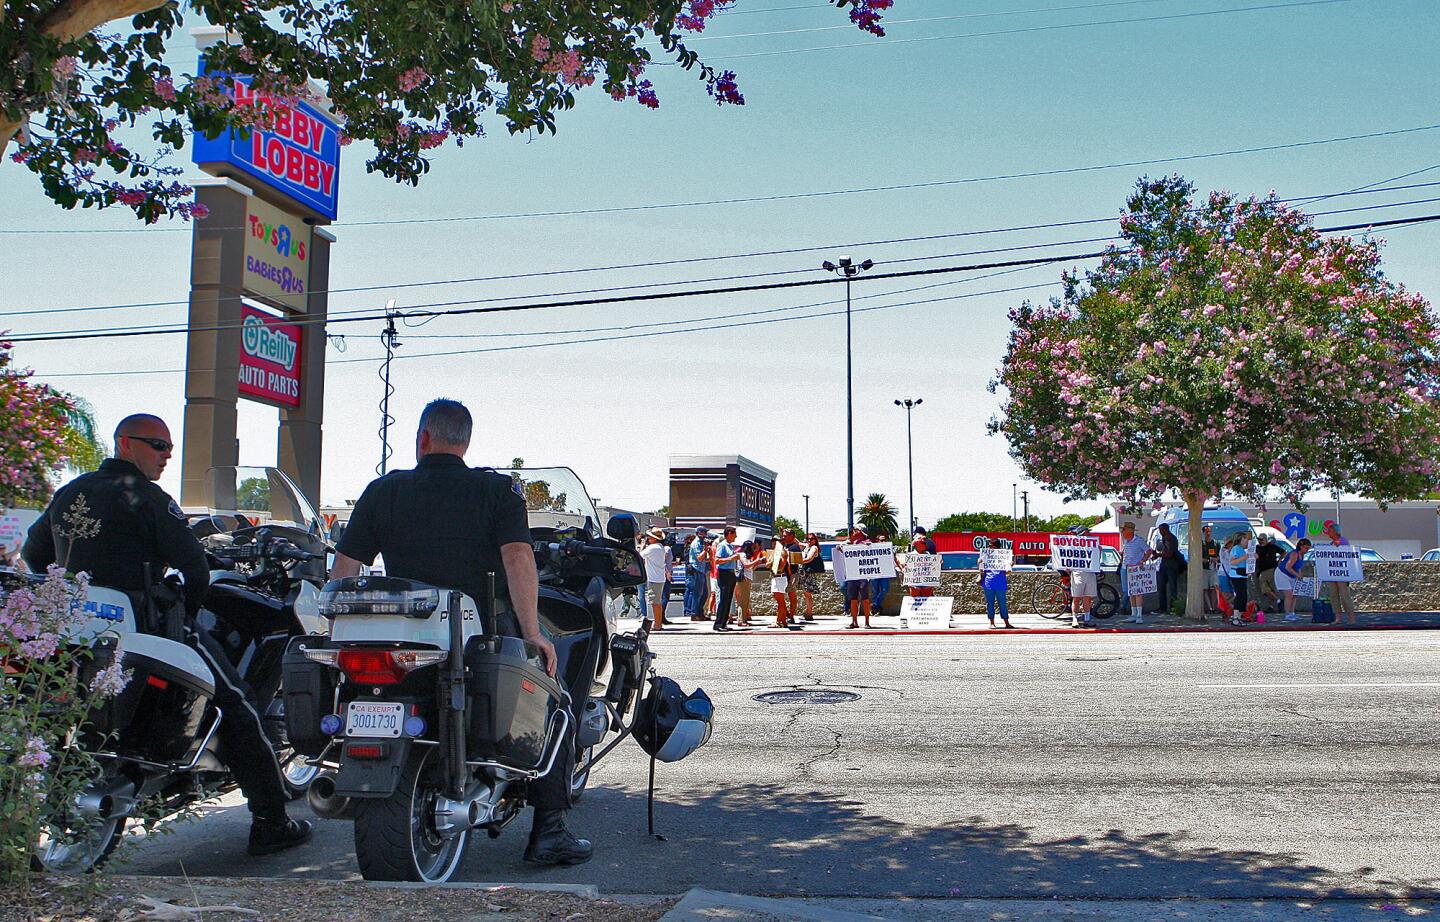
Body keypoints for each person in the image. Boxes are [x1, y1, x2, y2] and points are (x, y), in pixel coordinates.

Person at [23, 413, 312, 857]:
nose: (167, 454)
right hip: (143, 626)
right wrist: (186, 616)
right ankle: (270, 820)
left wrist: (79, 590)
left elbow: (35, 552)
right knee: (236, 703)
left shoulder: (71, 493)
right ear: (125, 444)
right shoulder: (146, 498)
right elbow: (195, 567)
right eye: (157, 445)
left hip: (78, 633)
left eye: (169, 447)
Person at [328, 399, 588, 867]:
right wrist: (533, 632)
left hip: (398, 636)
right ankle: (550, 830)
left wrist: (336, 624)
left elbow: (345, 568)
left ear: (422, 438)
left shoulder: (383, 491)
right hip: (477, 634)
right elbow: (517, 559)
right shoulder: (495, 491)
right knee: (558, 703)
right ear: (465, 442)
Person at [1321, 521, 1359, 625]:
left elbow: (1346, 554)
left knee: (1344, 595)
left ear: (1335, 531)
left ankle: (1352, 618)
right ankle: (1338, 618)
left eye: (1330, 531)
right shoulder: (1331, 543)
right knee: (1333, 596)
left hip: (1341, 574)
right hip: (1332, 573)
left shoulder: (1343, 541)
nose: (1328, 533)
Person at [1118, 521, 1150, 624]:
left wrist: (1142, 561)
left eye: (1124, 530)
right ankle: (1133, 614)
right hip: (1125, 568)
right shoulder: (1126, 541)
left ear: (1129, 531)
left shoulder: (1139, 541)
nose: (1122, 532)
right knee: (1129, 591)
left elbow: (1148, 551)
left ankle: (1139, 615)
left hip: (1135, 569)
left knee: (1137, 592)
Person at [711, 526, 741, 632]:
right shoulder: (722, 545)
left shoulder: (730, 546)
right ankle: (718, 623)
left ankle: (724, 623)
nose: (736, 536)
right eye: (734, 534)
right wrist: (731, 558)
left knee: (728, 600)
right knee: (723, 599)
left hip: (731, 573)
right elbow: (717, 560)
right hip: (724, 574)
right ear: (729, 533)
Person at [842, 526, 873, 629]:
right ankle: (854, 621)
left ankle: (867, 622)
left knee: (865, 599)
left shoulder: (867, 542)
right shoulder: (853, 543)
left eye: (856, 529)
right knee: (853, 599)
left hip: (863, 575)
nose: (854, 531)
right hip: (853, 575)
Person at [640, 528, 670, 631]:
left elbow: (640, 556)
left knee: (655, 602)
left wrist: (642, 546)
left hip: (654, 578)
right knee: (658, 602)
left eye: (650, 537)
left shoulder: (652, 548)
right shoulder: (660, 547)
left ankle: (657, 625)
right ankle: (658, 623)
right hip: (659, 577)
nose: (648, 538)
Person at [768, 535, 799, 629]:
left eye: (776, 541)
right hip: (779, 577)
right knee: (781, 601)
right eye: (773, 540)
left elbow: (781, 566)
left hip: (779, 577)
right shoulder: (777, 552)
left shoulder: (781, 552)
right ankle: (783, 621)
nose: (773, 542)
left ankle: (779, 621)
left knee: (780, 602)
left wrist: (771, 562)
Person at [1277, 538, 1311, 622]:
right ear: (1301, 546)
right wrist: (1297, 575)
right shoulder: (1294, 554)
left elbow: (1298, 567)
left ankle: (1292, 613)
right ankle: (1287, 614)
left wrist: (1299, 575)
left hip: (1291, 575)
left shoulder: (1302, 555)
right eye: (1306, 548)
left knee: (1295, 594)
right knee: (1289, 594)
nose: (1307, 550)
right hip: (1282, 574)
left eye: (1308, 548)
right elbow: (1288, 567)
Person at [1151, 523, 1181, 615]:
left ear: (1165, 529)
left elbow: (1169, 554)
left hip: (1171, 566)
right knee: (1161, 587)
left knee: (1172, 588)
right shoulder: (1164, 539)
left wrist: (1158, 555)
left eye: (1161, 530)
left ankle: (1173, 608)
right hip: (1164, 565)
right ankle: (1162, 608)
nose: (1160, 532)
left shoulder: (1170, 538)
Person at [683, 528, 711, 622]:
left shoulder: (701, 543)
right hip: (696, 570)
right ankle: (694, 614)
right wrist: (706, 549)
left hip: (701, 570)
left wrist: (708, 552)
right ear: (699, 533)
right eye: (704, 532)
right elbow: (699, 558)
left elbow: (705, 559)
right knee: (697, 594)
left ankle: (700, 612)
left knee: (704, 594)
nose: (706, 534)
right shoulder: (696, 543)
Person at [796, 534, 824, 621]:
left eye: (811, 539)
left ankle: (809, 613)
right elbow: (798, 543)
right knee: (806, 593)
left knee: (808, 594)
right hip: (803, 572)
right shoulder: (808, 546)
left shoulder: (814, 548)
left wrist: (795, 560)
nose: (809, 540)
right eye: (807, 539)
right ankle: (808, 612)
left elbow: (808, 559)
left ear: (815, 540)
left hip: (808, 573)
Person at [979, 555, 1012, 628]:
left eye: (991, 546)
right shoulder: (985, 556)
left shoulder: (1003, 557)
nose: (990, 548)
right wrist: (980, 563)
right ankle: (992, 622)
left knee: (1002, 604)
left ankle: (1006, 623)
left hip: (997, 583)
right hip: (991, 583)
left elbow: (1008, 572)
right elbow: (981, 570)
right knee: (991, 604)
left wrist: (1010, 565)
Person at [899, 535, 936, 600]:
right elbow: (906, 568)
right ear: (916, 544)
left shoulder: (928, 554)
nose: (924, 544)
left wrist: (937, 563)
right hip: (914, 582)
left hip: (926, 582)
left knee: (927, 599)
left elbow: (932, 567)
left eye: (924, 542)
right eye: (922, 542)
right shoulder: (910, 555)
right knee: (915, 599)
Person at [1254, 533, 1283, 613]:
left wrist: (1280, 560)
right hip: (1261, 570)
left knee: (1267, 588)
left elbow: (1283, 552)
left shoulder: (1271, 547)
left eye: (1262, 539)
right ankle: (1274, 603)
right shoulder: (1257, 548)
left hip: (1270, 569)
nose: (1260, 541)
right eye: (1259, 539)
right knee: (1267, 589)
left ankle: (1277, 601)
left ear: (1266, 539)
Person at [736, 539, 761, 625]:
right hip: (744, 579)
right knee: (743, 600)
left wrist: (756, 562)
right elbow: (746, 565)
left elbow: (751, 568)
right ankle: (740, 620)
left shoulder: (747, 556)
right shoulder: (742, 555)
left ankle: (744, 618)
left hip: (748, 578)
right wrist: (756, 561)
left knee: (746, 600)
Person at [868, 532, 894, 617]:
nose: (883, 542)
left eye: (884, 540)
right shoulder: (872, 549)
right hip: (875, 573)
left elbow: (894, 559)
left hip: (885, 573)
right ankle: (876, 609)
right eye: (881, 540)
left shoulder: (888, 549)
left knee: (884, 589)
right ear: (877, 541)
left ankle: (874, 605)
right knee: (875, 591)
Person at [1226, 532, 1253, 613]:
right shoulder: (1236, 548)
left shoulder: (1242, 550)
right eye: (1245, 539)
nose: (1247, 541)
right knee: (1239, 596)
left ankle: (1240, 615)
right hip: (1236, 576)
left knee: (1243, 596)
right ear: (1240, 540)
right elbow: (1232, 562)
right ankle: (1236, 615)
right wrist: (1244, 557)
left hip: (1242, 575)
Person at [1201, 525, 1221, 614]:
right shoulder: (1201, 544)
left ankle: (1214, 606)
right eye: (1206, 532)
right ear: (1203, 533)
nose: (1208, 533)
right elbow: (1198, 557)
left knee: (1213, 588)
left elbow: (1220, 556)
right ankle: (1209, 608)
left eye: (1210, 531)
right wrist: (1207, 560)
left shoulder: (1216, 543)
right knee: (1204, 589)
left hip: (1213, 569)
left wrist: (1216, 559)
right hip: (1204, 569)